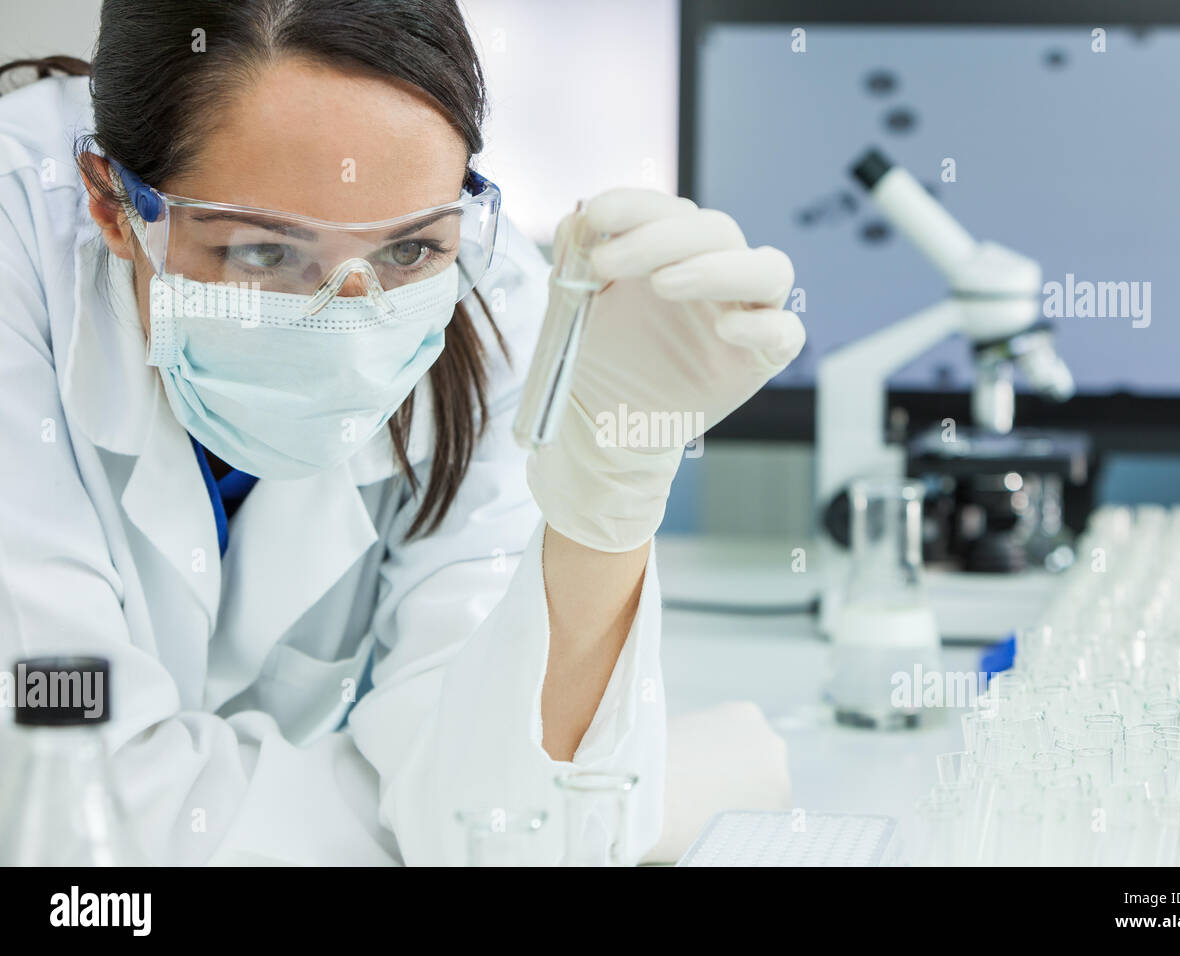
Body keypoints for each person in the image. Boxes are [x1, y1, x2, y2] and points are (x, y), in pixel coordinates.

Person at [0, 0, 803, 865]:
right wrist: (474, 806)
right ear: (115, 205)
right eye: (266, 253)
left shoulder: (493, 300)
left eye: (410, 250)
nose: (353, 322)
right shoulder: (18, 259)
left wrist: (612, 496)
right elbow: (70, 810)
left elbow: (495, 834)